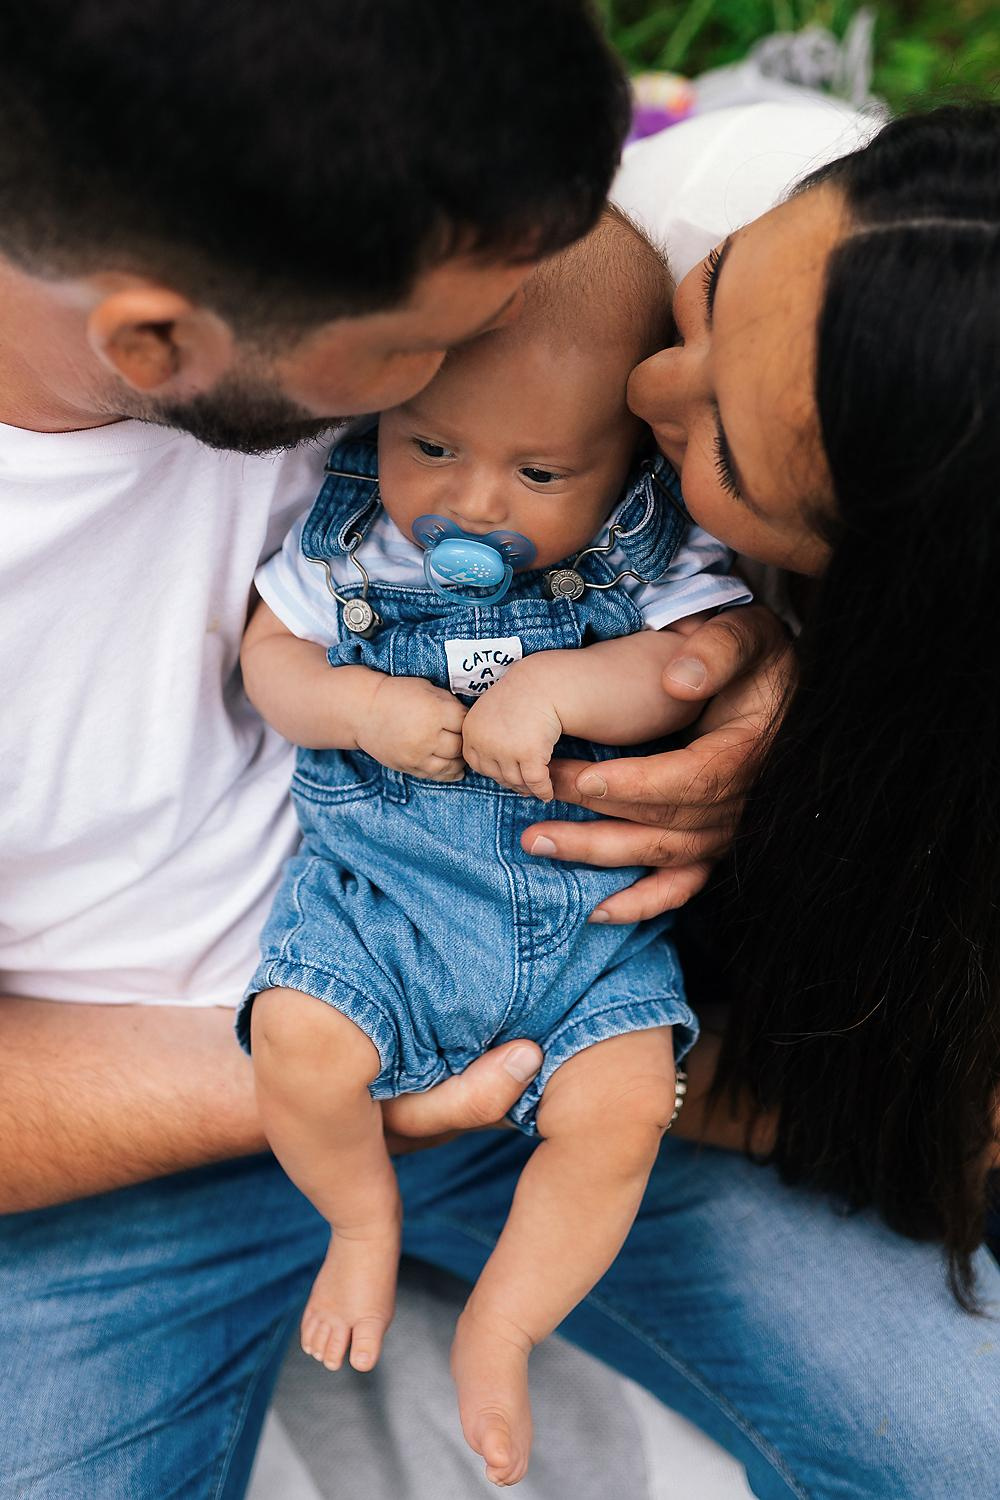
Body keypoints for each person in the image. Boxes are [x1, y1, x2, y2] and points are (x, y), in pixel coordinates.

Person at [0, 0, 991, 1488]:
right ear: (156, 340)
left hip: (566, 1025)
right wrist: (349, 1078)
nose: (512, 368)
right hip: (153, 1129)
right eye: (429, 354)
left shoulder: (416, 236)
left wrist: (754, 669)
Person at [239, 207, 750, 1486]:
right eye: (430, 445)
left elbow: (696, 666)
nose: (469, 501)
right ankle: (360, 1220)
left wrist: (577, 689)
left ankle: (506, 1324)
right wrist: (354, 705)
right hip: (380, 914)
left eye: (538, 475)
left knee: (624, 1112)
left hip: (587, 939)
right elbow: (271, 662)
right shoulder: (350, 539)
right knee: (299, 1044)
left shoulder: (650, 549)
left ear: (629, 455)